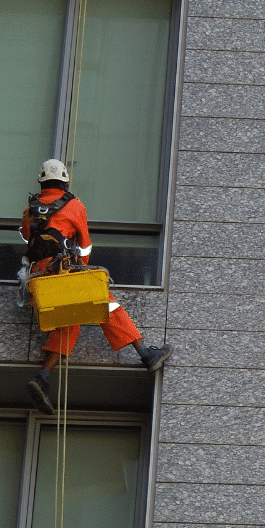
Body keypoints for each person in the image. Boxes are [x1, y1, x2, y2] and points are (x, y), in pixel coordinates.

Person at [19, 159, 173, 414]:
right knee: (107, 303)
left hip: (38, 281)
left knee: (71, 322)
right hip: (63, 273)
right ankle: (146, 354)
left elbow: (26, 237)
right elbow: (85, 246)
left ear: (41, 181)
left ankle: (42, 378)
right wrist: (81, 264)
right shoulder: (74, 205)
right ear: (66, 180)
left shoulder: (29, 209)